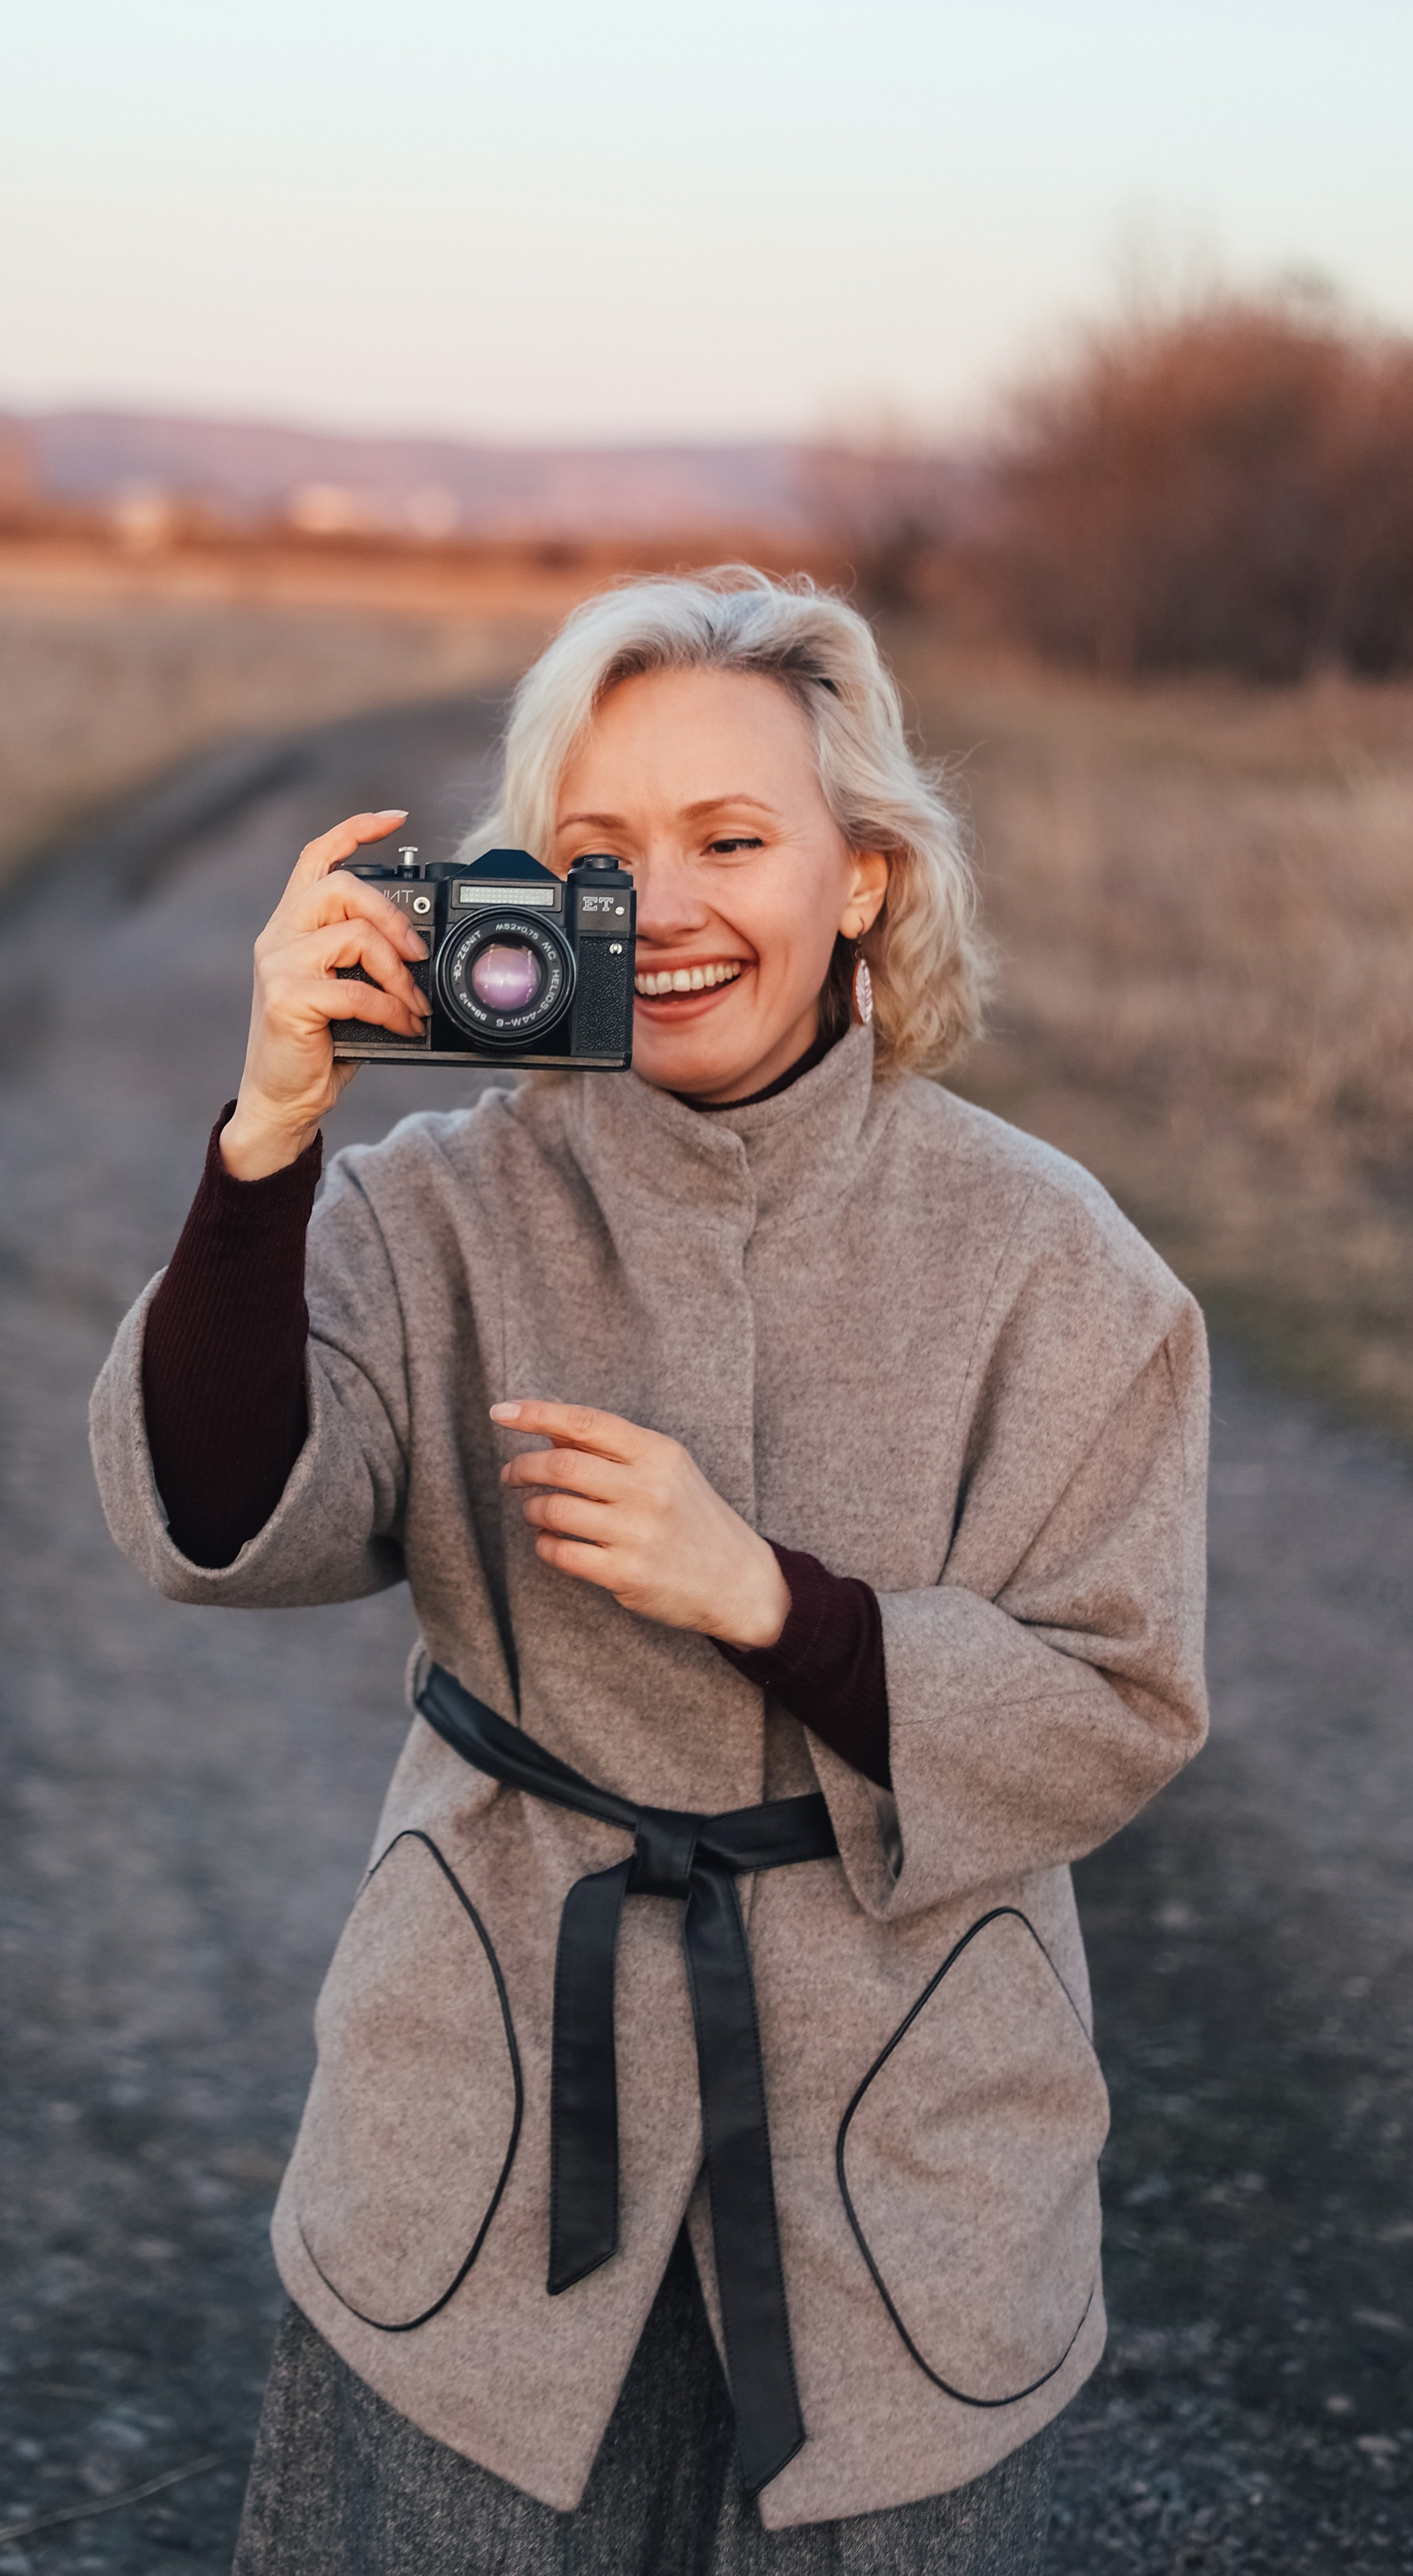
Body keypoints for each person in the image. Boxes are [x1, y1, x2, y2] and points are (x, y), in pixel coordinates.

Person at [91, 568, 1209, 2575]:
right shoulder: (435, 1205)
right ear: (537, 890)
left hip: (911, 2148)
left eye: (734, 841)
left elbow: (1119, 1709)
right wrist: (265, 1148)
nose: (669, 908)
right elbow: (216, 1508)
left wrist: (781, 1607)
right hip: (487, 2111)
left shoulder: (1053, 1263)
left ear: (862, 877)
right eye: (601, 853)